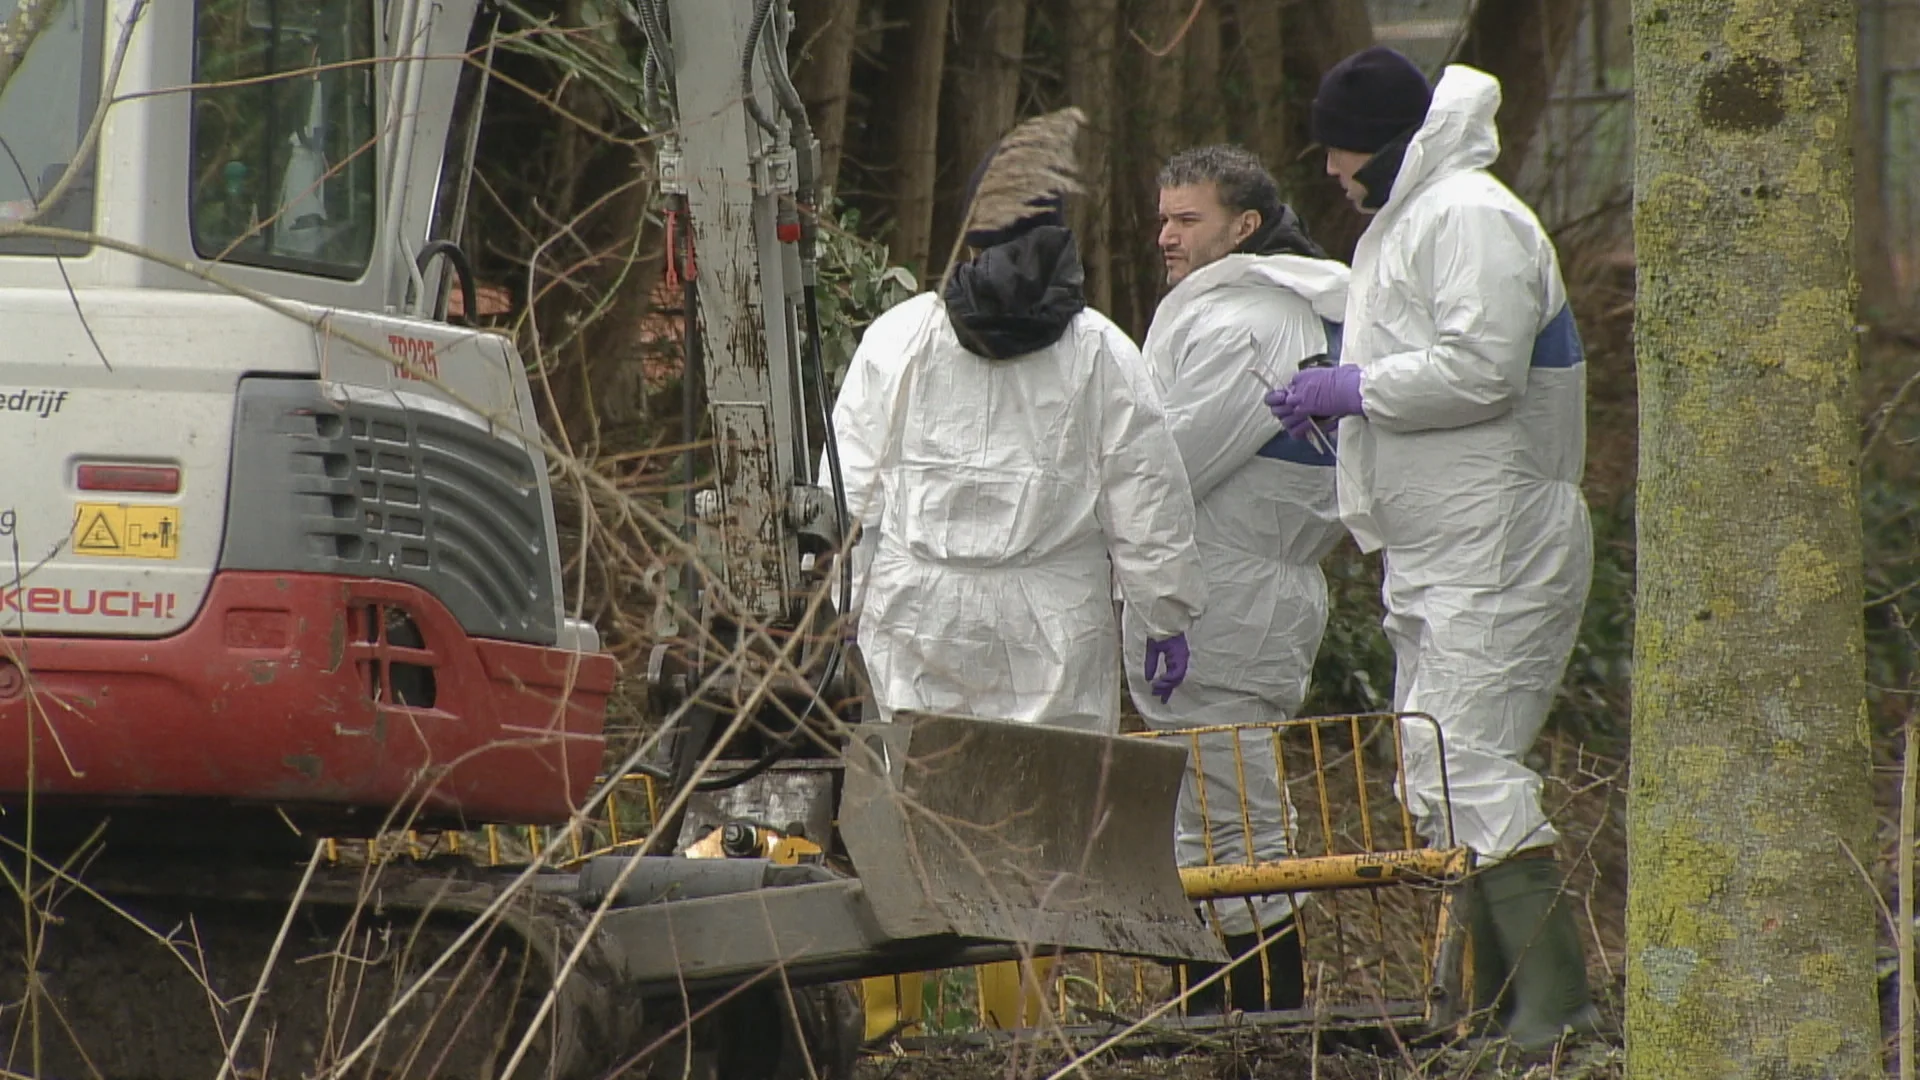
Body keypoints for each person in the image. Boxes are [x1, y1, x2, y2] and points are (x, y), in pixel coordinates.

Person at [1265, 48, 1601, 1049]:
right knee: (1441, 767)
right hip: (1444, 541)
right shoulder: (1418, 218)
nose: (1332, 171)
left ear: (1383, 143)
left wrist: (1356, 389)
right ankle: (1503, 1010)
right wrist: (1345, 394)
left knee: (1466, 766)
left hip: (1495, 538)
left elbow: (1480, 371)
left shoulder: (1469, 217)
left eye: (1340, 150)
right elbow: (1433, 360)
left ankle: (1554, 1012)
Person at [826, 147, 1209, 736]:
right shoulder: (1100, 351)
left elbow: (850, 491)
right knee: (1050, 803)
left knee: (923, 798)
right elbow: (1145, 496)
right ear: (1056, 237)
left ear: (970, 235)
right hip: (1052, 627)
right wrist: (1165, 613)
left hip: (919, 618)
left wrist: (838, 600)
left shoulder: (900, 338)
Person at [1122, 144, 1350, 1015]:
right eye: (1163, 218)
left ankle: (1259, 1021)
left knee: (1240, 827)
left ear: (1244, 226)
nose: (1165, 237)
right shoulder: (1245, 310)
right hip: (1217, 588)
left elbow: (1167, 462)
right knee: (1208, 824)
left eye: (1189, 220)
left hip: (1221, 599)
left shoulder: (1248, 323)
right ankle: (1219, 1018)